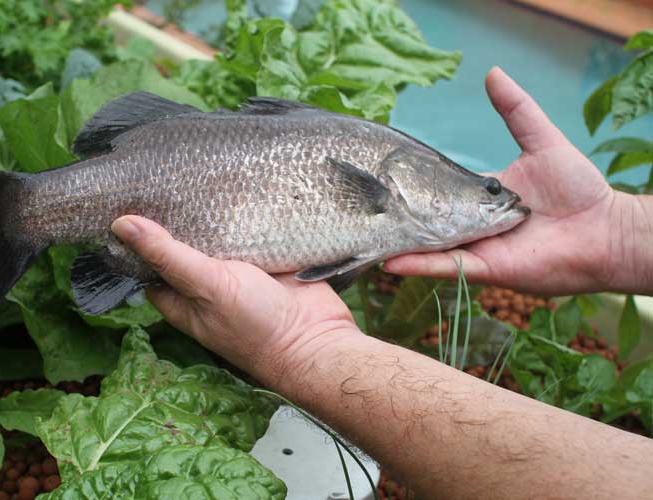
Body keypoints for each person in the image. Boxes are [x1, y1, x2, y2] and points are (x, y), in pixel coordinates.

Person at [110, 67, 653, 499]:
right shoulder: (381, 174)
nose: (498, 198)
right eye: (489, 189)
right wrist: (620, 232)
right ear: (403, 179)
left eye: (491, 190)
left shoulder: (390, 176)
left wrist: (301, 349)